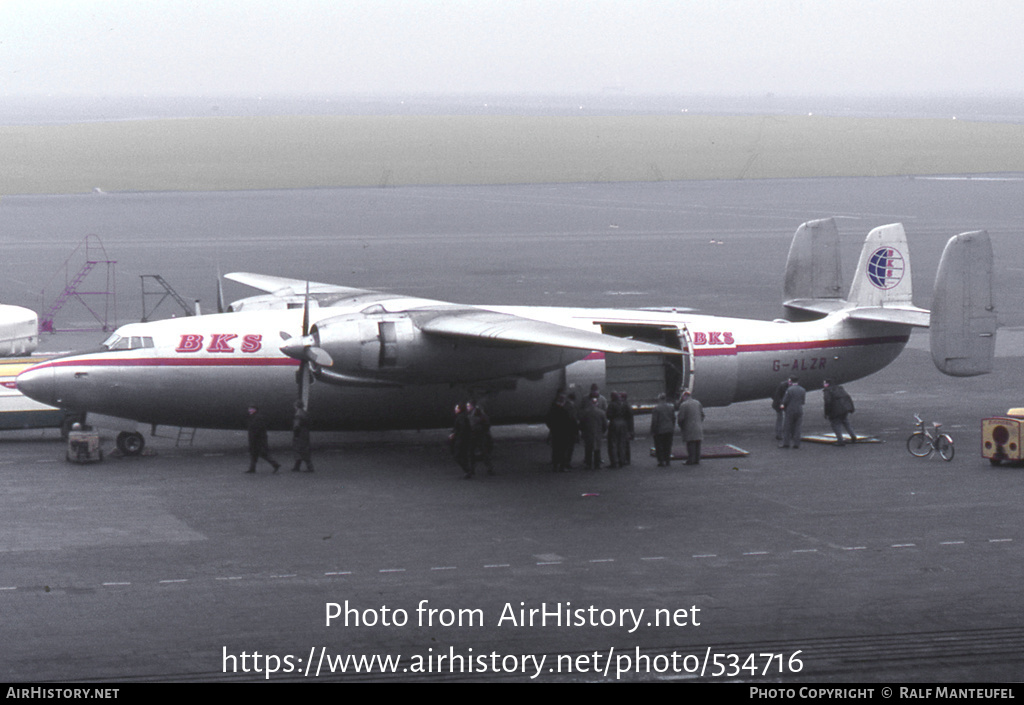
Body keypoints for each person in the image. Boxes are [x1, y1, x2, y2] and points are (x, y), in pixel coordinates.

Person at [545, 393, 577, 472]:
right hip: (564, 433)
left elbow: (548, 420)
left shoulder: (553, 409)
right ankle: (562, 466)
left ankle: (555, 465)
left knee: (556, 449)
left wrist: (552, 428)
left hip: (555, 432)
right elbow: (570, 422)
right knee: (563, 449)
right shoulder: (564, 411)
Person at [245, 405, 280, 473]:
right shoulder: (254, 417)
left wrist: (254, 438)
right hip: (256, 439)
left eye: (250, 409)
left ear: (254, 410)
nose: (249, 410)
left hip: (258, 440)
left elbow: (257, 429)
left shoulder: (257, 418)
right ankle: (252, 468)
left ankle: (275, 464)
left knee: (262, 454)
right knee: (254, 454)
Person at [822, 379, 858, 446]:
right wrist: (851, 408)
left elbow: (827, 402)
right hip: (844, 408)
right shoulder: (840, 389)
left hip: (835, 410)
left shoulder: (827, 391)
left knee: (835, 424)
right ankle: (853, 436)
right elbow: (848, 398)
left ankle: (840, 440)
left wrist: (826, 413)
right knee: (846, 422)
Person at [579, 396, 608, 469]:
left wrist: (583, 431)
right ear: (597, 403)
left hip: (587, 433)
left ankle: (588, 463)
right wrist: (602, 431)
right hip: (598, 433)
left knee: (588, 448)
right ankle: (597, 463)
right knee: (597, 448)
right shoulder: (601, 412)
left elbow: (581, 423)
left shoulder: (585, 412)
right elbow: (605, 424)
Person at [677, 390, 705, 465]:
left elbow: (681, 418)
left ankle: (691, 460)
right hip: (698, 427)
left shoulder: (684, 405)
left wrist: (681, 426)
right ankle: (697, 459)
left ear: (684, 396)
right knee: (697, 444)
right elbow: (702, 415)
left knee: (691, 445)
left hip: (689, 428)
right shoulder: (697, 403)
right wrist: (699, 421)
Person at [606, 392, 632, 468]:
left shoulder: (611, 404)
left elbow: (608, 415)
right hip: (623, 424)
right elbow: (629, 414)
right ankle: (622, 460)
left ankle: (615, 462)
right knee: (622, 443)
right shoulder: (623, 404)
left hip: (614, 423)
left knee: (613, 443)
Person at [467, 401, 494, 476]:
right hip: (476, 435)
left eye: (468, 406)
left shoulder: (477, 415)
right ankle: (487, 468)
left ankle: (473, 469)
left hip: (478, 435)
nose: (467, 407)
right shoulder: (473, 414)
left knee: (481, 452)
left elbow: (485, 424)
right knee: (475, 452)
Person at [779, 377, 806, 449]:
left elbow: (785, 401)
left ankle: (786, 443)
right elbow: (803, 401)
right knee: (798, 427)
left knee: (787, 427)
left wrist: (783, 406)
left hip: (790, 409)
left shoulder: (789, 390)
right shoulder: (802, 389)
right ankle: (796, 444)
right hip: (799, 409)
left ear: (791, 381)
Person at [651, 393, 676, 467]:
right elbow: (673, 418)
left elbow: (655, 421)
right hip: (669, 429)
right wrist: (672, 427)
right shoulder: (671, 407)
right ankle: (667, 460)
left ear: (659, 399)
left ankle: (661, 461)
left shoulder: (656, 408)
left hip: (660, 430)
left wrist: (653, 430)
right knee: (668, 445)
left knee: (659, 446)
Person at [450, 403, 473, 478]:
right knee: (464, 455)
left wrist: (455, 434)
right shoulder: (463, 417)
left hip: (461, 439)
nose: (455, 409)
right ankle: (469, 470)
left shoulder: (460, 418)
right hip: (464, 439)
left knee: (458, 455)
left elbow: (461, 428)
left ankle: (467, 470)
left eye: (457, 408)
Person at [290, 400, 313, 472]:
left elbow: (296, 426)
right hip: (305, 433)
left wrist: (296, 435)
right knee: (305, 449)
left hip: (300, 434)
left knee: (298, 449)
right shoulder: (306, 413)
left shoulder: (298, 414)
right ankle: (298, 466)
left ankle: (308, 467)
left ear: (296, 406)